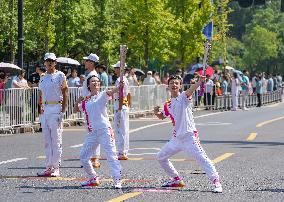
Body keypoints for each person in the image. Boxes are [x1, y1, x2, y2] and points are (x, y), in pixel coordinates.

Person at [153, 75, 222, 193]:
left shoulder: (184, 96)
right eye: (171, 83)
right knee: (160, 157)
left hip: (190, 137)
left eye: (176, 83)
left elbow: (191, 89)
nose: (174, 85)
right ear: (168, 86)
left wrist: (199, 82)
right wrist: (156, 112)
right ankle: (176, 179)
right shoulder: (167, 104)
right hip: (176, 139)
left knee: (203, 159)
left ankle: (216, 181)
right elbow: (162, 116)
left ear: (180, 86)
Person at [73, 75, 122, 188]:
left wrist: (119, 87)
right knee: (83, 157)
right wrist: (78, 101)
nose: (95, 83)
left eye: (97, 81)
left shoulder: (102, 95)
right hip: (92, 133)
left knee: (111, 155)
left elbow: (111, 91)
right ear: (89, 85)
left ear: (99, 84)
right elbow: (75, 110)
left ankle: (117, 180)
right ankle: (93, 178)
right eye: (92, 81)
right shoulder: (86, 101)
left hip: (104, 130)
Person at [37, 53, 68, 177]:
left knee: (56, 139)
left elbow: (65, 92)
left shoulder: (60, 75)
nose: (49, 63)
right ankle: (48, 166)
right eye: (47, 61)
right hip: (45, 109)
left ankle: (56, 167)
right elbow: (41, 94)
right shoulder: (43, 77)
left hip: (56, 107)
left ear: (55, 63)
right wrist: (40, 110)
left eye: (52, 61)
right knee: (46, 140)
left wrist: (63, 110)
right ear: (44, 63)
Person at [82, 53, 101, 168]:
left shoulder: (92, 76)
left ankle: (95, 159)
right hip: (89, 105)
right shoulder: (90, 75)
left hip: (91, 105)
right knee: (91, 131)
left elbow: (94, 93)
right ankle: (93, 158)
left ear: (92, 63)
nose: (85, 63)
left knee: (93, 131)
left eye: (87, 61)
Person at [112, 61, 131, 160]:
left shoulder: (121, 79)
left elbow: (121, 95)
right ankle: (123, 151)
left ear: (120, 69)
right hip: (123, 106)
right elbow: (129, 94)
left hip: (120, 106)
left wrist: (119, 109)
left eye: (116, 68)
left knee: (120, 130)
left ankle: (121, 152)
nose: (114, 69)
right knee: (123, 130)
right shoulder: (124, 79)